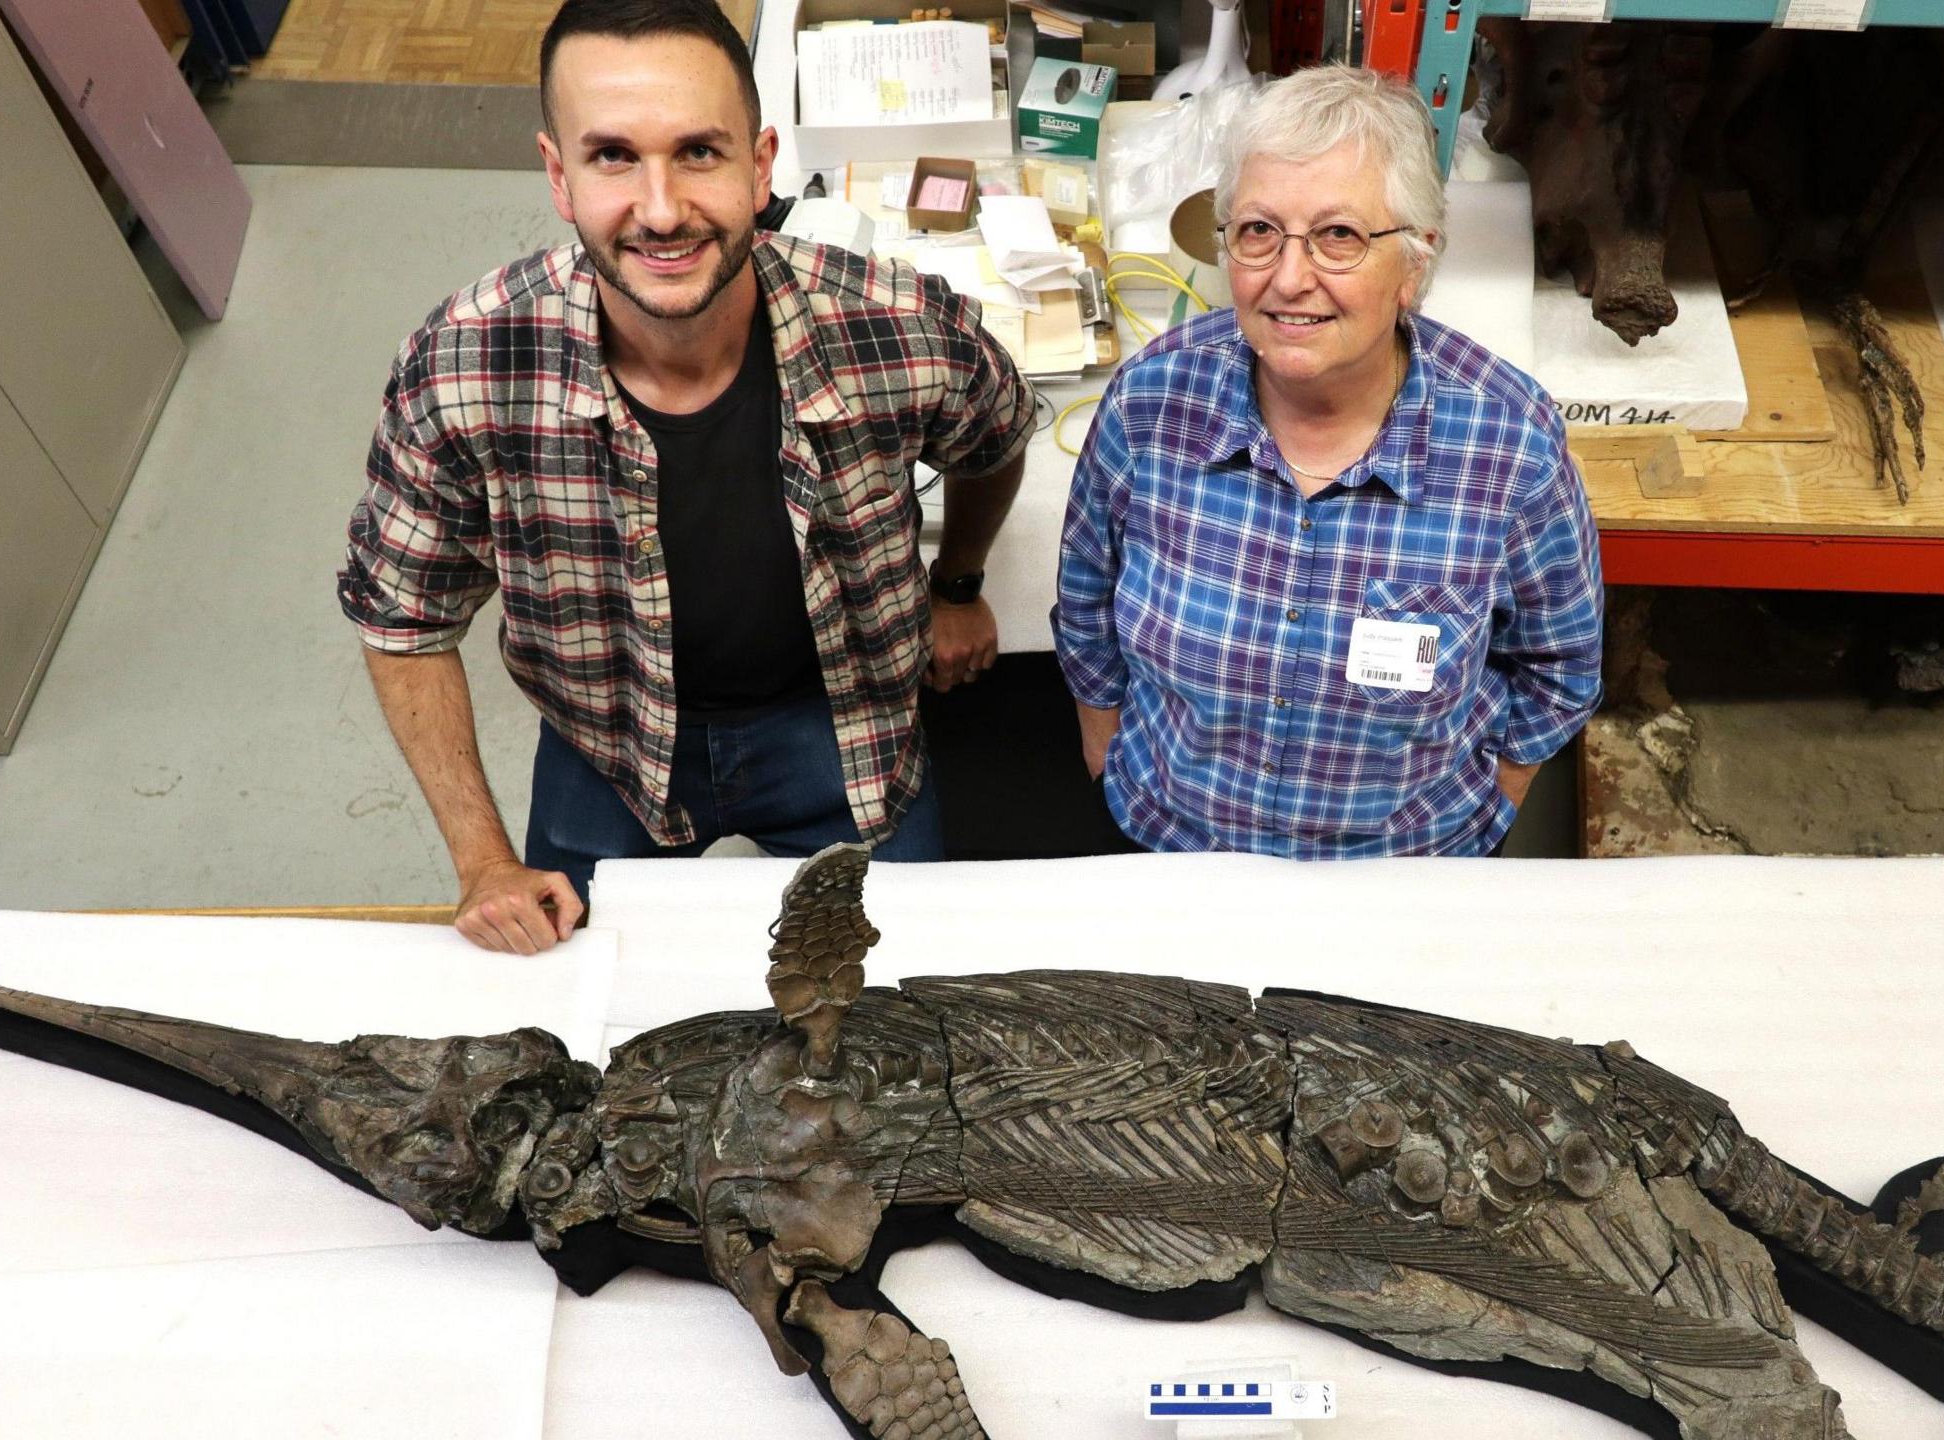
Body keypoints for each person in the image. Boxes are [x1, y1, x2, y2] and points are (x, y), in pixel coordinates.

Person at [339, 0, 1034, 954]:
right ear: (559, 174)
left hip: (842, 726)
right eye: (613, 156)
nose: (662, 212)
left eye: (699, 152)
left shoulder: (899, 326)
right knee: (570, 1003)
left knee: (905, 988)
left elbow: (995, 439)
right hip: (607, 742)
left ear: (761, 165)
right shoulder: (463, 369)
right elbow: (402, 622)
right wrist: (484, 860)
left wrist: (958, 584)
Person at [1053, 66, 1602, 858]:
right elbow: (1085, 598)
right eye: (1258, 230)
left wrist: (1494, 803)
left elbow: (1561, 664)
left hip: (1405, 867)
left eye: (1339, 235)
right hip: (1176, 844)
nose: (1288, 278)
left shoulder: (1509, 445)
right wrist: (1104, 749)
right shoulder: (1151, 404)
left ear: (1414, 264)